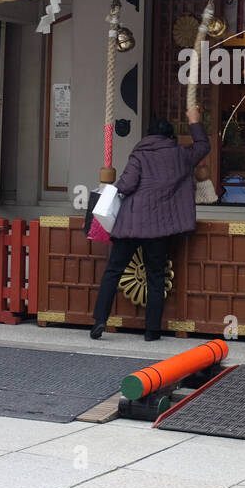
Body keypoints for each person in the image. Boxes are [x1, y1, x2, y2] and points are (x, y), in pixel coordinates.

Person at [91, 105, 209, 341]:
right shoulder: (180, 155)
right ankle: (152, 331)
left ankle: (100, 321)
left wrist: (108, 184)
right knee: (156, 276)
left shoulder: (140, 154)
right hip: (159, 228)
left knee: (113, 271)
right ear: (170, 136)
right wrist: (194, 121)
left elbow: (126, 185)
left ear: (149, 135)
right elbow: (203, 147)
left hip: (131, 224)